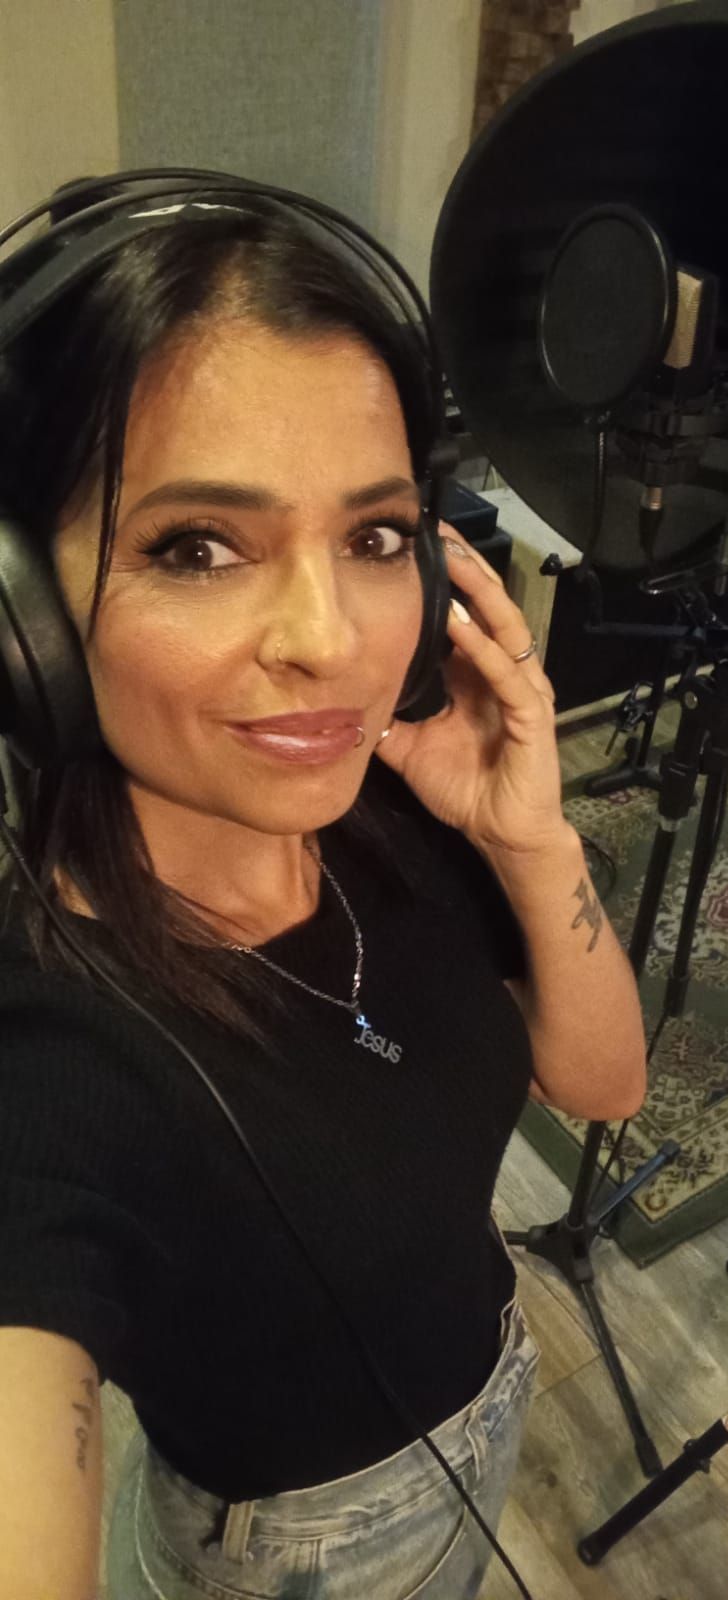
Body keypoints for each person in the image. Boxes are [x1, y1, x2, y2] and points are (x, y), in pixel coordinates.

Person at [0, 186, 646, 1600]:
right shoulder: (47, 1055)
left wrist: (531, 838)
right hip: (301, 1547)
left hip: (494, 1379)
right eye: (196, 546)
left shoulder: (389, 810)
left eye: (374, 537)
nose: (332, 642)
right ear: (25, 626)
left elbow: (602, 1082)